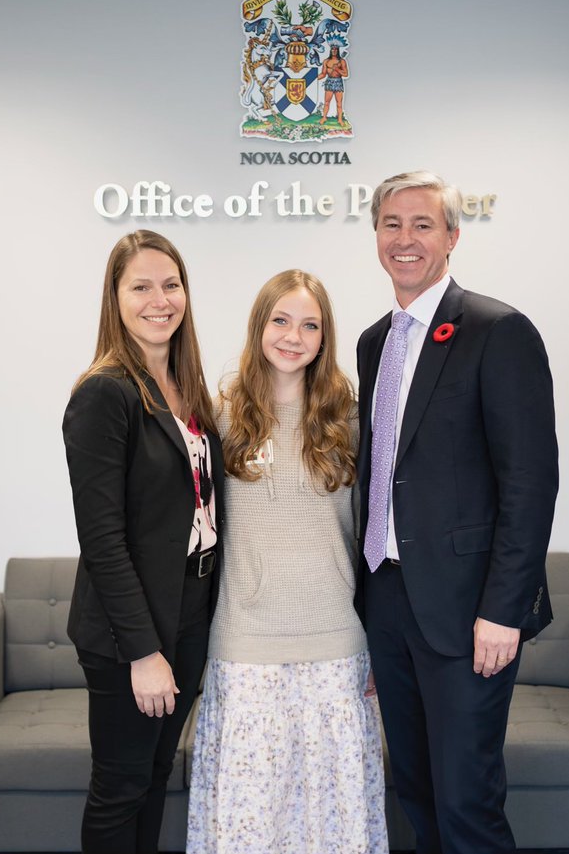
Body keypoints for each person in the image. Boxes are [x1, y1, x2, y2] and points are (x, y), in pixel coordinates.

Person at [355, 172, 558, 854]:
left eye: (422, 224)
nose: (405, 238)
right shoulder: (373, 343)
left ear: (451, 237)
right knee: (415, 792)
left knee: (466, 801)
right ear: (376, 235)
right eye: (391, 223)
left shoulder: (498, 331)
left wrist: (503, 610)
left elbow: (530, 483)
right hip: (388, 598)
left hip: (469, 610)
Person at [187, 270, 388, 854]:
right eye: (281, 320)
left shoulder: (350, 422)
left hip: (336, 649)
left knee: (334, 825)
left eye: (310, 325)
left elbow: (372, 539)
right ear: (259, 325)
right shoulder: (219, 420)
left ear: (325, 337)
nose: (293, 337)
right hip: (245, 650)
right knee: (251, 825)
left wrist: (382, 641)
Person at [63, 230, 224, 854]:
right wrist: (143, 653)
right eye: (141, 287)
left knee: (155, 776)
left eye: (171, 284)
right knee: (121, 786)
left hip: (189, 612)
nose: (160, 300)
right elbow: (102, 539)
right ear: (116, 298)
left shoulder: (186, 388)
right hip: (130, 633)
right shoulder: (105, 392)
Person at [317, 44, 348, 125]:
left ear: (338, 50)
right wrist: (315, 79)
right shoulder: (326, 61)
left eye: (335, 49)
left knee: (339, 103)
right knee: (327, 102)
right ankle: (324, 117)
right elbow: (323, 74)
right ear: (330, 50)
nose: (334, 51)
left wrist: (337, 69)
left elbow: (345, 74)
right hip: (329, 82)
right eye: (332, 49)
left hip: (338, 82)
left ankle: (340, 119)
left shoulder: (342, 61)